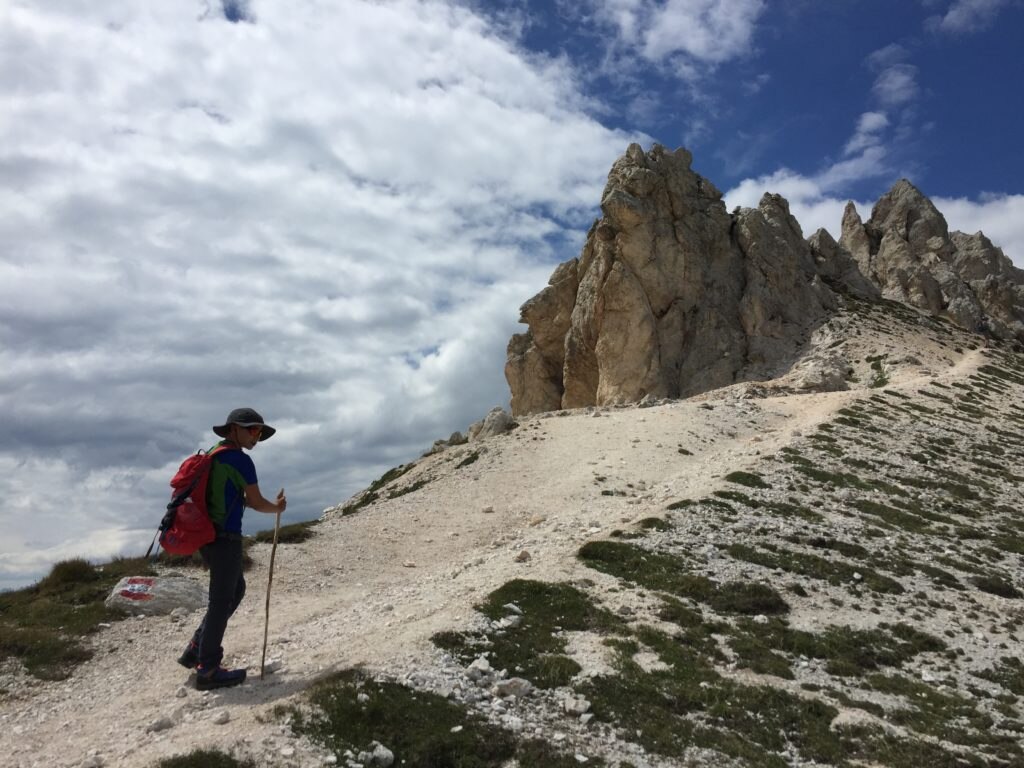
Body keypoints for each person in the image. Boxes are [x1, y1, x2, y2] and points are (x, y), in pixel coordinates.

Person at [177, 407, 287, 690]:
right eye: (252, 430)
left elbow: (240, 498)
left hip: (207, 536)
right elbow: (257, 501)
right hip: (225, 537)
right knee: (221, 600)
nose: (256, 437)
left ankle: (196, 649)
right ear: (234, 428)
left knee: (234, 591)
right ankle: (208, 668)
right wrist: (277, 508)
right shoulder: (240, 460)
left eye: (260, 433)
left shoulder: (215, 453)